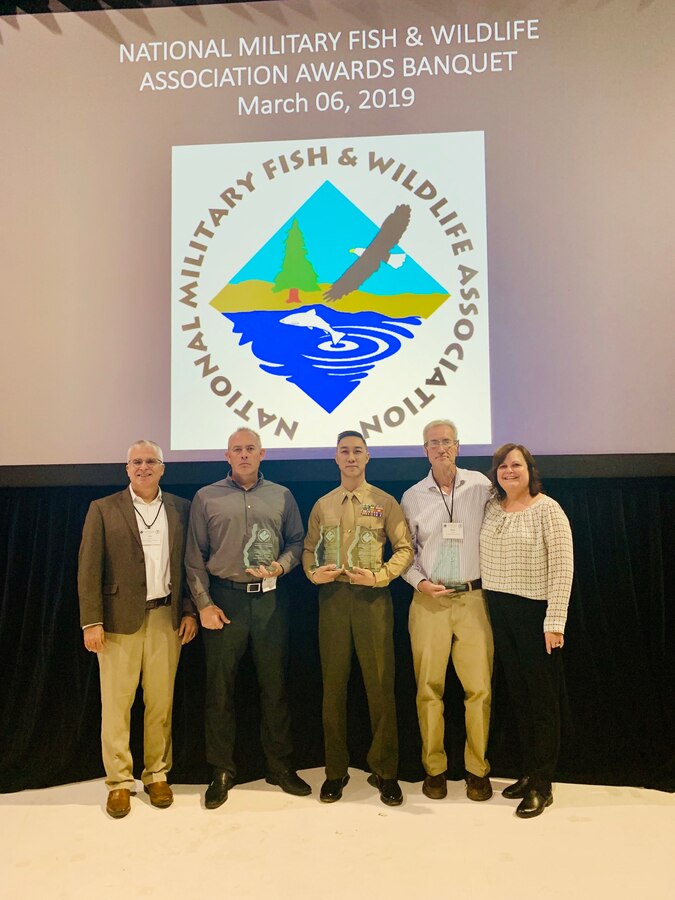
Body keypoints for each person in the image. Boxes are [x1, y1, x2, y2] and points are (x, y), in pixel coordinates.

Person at [186, 428, 310, 808]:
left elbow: (297, 542)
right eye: (237, 449)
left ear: (262, 454)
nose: (243, 454)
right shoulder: (206, 497)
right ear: (227, 456)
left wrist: (282, 566)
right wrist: (204, 604)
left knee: (275, 686)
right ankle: (221, 770)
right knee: (220, 689)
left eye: (250, 448)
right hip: (224, 601)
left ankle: (280, 766)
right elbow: (194, 556)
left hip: (270, 600)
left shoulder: (282, 495)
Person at [78, 440, 197, 819]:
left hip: (166, 617)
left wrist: (189, 611)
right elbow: (88, 570)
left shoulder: (181, 508)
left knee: (161, 702)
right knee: (117, 705)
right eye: (136, 462)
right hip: (117, 622)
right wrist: (92, 621)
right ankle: (119, 782)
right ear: (127, 469)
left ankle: (157, 774)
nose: (143, 467)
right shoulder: (103, 508)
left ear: (162, 468)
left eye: (151, 461)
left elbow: (189, 566)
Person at [302, 430, 413, 806]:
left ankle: (386, 771)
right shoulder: (323, 504)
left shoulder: (384, 502)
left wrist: (381, 576)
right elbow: (308, 549)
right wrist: (313, 573)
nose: (351, 457)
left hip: (372, 600)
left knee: (380, 686)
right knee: (333, 688)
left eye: (357, 451)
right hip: (333, 600)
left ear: (368, 457)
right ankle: (335, 771)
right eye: (344, 451)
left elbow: (404, 548)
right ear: (336, 458)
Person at [400, 420, 494, 802]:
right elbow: (405, 554)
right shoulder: (412, 496)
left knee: (479, 690)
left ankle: (477, 770)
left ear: (458, 446)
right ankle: (434, 770)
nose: (441, 448)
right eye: (433, 443)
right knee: (428, 690)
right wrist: (420, 583)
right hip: (429, 601)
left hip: (473, 599)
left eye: (447, 442)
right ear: (424, 450)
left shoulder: (482, 486)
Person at [480, 443, 573, 818]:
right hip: (499, 611)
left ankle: (543, 785)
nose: (509, 471)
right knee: (519, 698)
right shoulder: (491, 507)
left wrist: (555, 622)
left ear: (530, 470)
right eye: (502, 466)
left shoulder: (548, 510)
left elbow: (563, 568)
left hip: (535, 615)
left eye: (516, 465)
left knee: (542, 703)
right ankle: (529, 772)